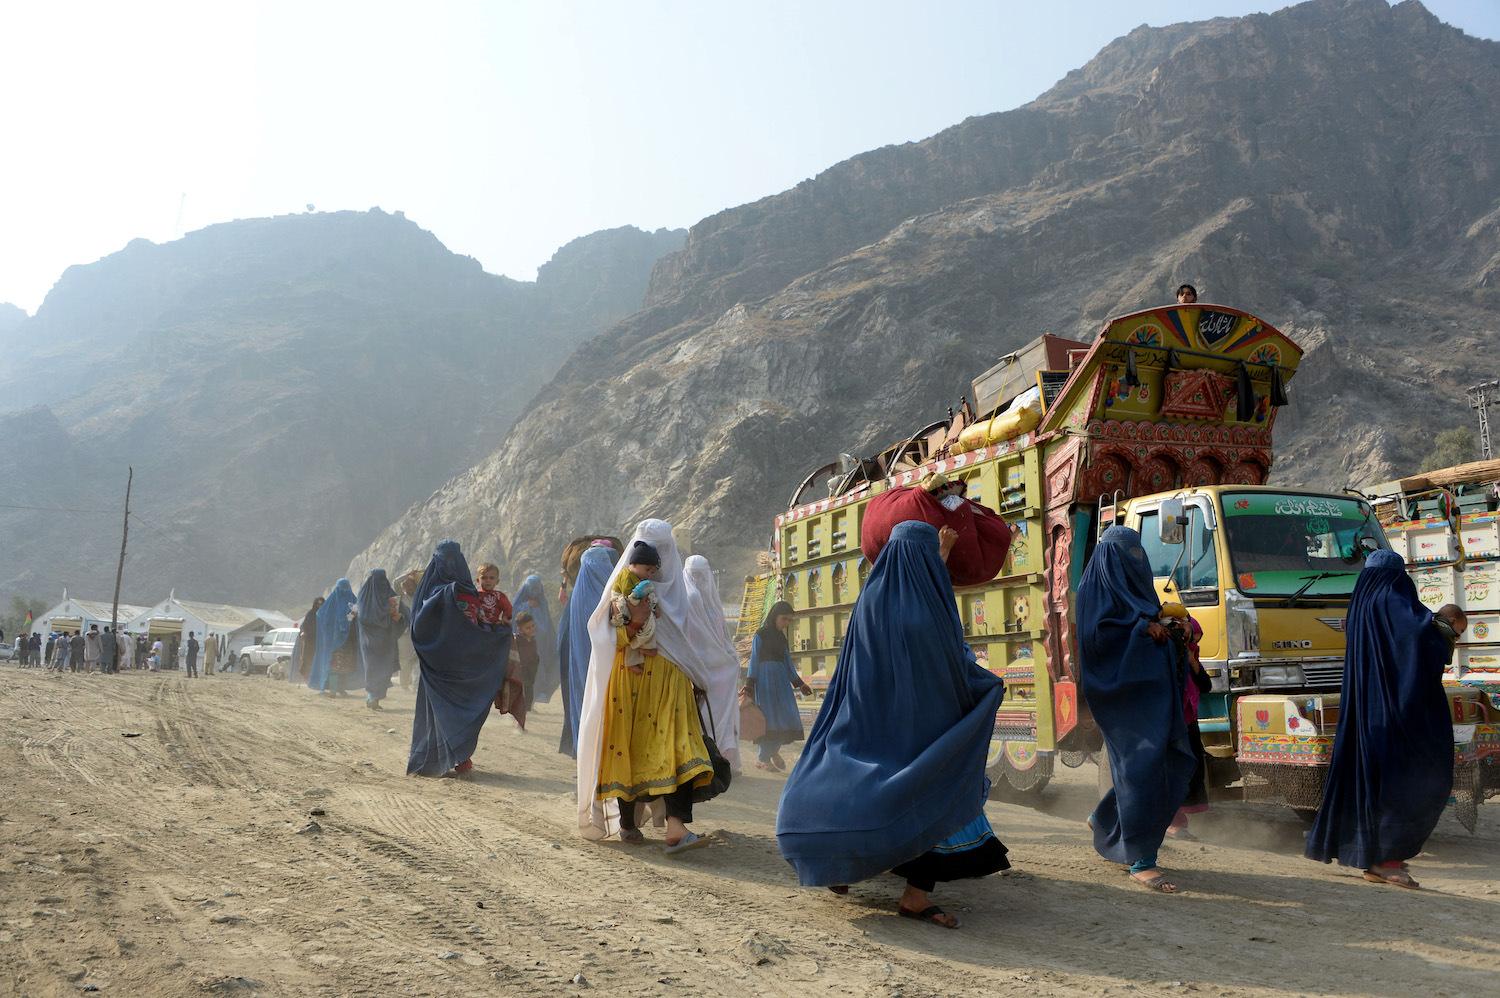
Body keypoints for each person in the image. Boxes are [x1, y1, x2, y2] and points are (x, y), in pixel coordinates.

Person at [777, 521, 1009, 929]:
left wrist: (937, 558)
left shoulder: (871, 597)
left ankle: (838, 868)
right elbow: (951, 661)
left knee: (852, 787)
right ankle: (915, 897)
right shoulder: (929, 607)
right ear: (924, 558)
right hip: (918, 729)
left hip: (866, 720)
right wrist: (986, 686)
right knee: (934, 793)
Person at [1306, 557, 1461, 889]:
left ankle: (1375, 857)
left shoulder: (1361, 606)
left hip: (1367, 714)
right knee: (1409, 784)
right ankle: (1386, 860)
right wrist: (1445, 628)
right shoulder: (1393, 600)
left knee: (1372, 783)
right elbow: (1421, 643)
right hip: (1398, 716)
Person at [576, 520, 721, 852]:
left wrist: (630, 625)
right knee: (677, 746)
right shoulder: (682, 594)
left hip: (626, 679)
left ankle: (629, 824)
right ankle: (674, 826)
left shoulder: (621, 587)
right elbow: (692, 644)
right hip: (669, 678)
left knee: (627, 747)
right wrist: (698, 677)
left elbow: (603, 635)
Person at [1077, 526, 1196, 894]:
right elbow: (1099, 642)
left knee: (1162, 765)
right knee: (1143, 770)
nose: (1134, 562)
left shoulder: (1139, 595)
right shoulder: (1093, 594)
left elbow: (1150, 620)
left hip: (1158, 698)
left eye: (1137, 554)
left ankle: (1104, 819)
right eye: (1125, 555)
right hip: (1125, 700)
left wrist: (1169, 628)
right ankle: (1140, 858)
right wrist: (1140, 632)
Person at [407, 540, 514, 777]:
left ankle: (458, 759)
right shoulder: (448, 590)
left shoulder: (451, 590)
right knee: (451, 710)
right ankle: (456, 759)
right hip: (447, 664)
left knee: (446, 711)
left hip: (449, 663)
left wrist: (501, 632)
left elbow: (480, 623)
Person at [682, 553, 744, 771]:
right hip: (698, 666)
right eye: (694, 575)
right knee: (703, 714)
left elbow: (721, 635)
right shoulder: (687, 598)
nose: (698, 580)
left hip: (719, 667)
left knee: (721, 714)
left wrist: (729, 654)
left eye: (702, 575)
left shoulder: (711, 601)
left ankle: (722, 758)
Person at [558, 542, 620, 758]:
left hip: (580, 666)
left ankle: (584, 750)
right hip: (608, 665)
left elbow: (563, 640)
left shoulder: (576, 598)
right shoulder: (610, 596)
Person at [1163, 605, 1212, 841]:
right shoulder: (1166, 653)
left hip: (1189, 720)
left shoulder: (1190, 656)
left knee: (1190, 768)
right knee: (1173, 770)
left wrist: (1193, 662)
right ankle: (1172, 823)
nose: (1192, 639)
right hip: (1170, 722)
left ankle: (1178, 822)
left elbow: (1206, 685)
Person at [745, 602, 812, 772]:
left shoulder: (782, 638)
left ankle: (772, 753)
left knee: (785, 718)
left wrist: (800, 684)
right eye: (784, 619)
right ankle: (763, 758)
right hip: (765, 683)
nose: (786, 623)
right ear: (775, 616)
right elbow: (754, 660)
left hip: (782, 683)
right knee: (769, 720)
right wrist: (750, 685)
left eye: (789, 621)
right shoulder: (760, 634)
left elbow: (788, 663)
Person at [357, 569, 406, 711]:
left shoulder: (388, 596)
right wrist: (387, 615)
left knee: (383, 669)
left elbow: (401, 613)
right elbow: (363, 617)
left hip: (385, 641)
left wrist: (399, 618)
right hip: (372, 641)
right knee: (373, 668)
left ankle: (374, 698)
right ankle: (372, 697)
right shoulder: (365, 596)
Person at [512, 575, 559, 705]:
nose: (534, 590)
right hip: (524, 646)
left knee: (538, 672)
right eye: (532, 587)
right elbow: (514, 616)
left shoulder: (542, 602)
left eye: (537, 587)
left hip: (541, 645)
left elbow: (547, 622)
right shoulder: (520, 603)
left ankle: (532, 701)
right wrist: (527, 605)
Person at [308, 580, 360, 698]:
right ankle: (334, 689)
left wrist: (346, 620)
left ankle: (340, 689)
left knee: (344, 665)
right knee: (335, 665)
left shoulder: (349, 601)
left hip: (345, 640)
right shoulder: (348, 601)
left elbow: (321, 615)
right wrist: (344, 620)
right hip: (337, 641)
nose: (343, 591)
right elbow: (321, 615)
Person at [511, 611, 541, 711]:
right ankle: (518, 711)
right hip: (520, 669)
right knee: (520, 691)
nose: (532, 629)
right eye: (528, 628)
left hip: (530, 669)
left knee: (529, 688)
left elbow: (533, 653)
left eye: (533, 626)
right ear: (520, 629)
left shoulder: (532, 639)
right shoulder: (517, 640)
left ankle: (528, 708)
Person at [290, 596, 323, 684]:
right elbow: (304, 626)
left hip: (321, 641)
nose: (319, 606)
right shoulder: (310, 614)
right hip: (310, 641)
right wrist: (304, 632)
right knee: (307, 660)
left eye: (321, 604)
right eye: (318, 604)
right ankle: (307, 680)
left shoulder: (325, 614)